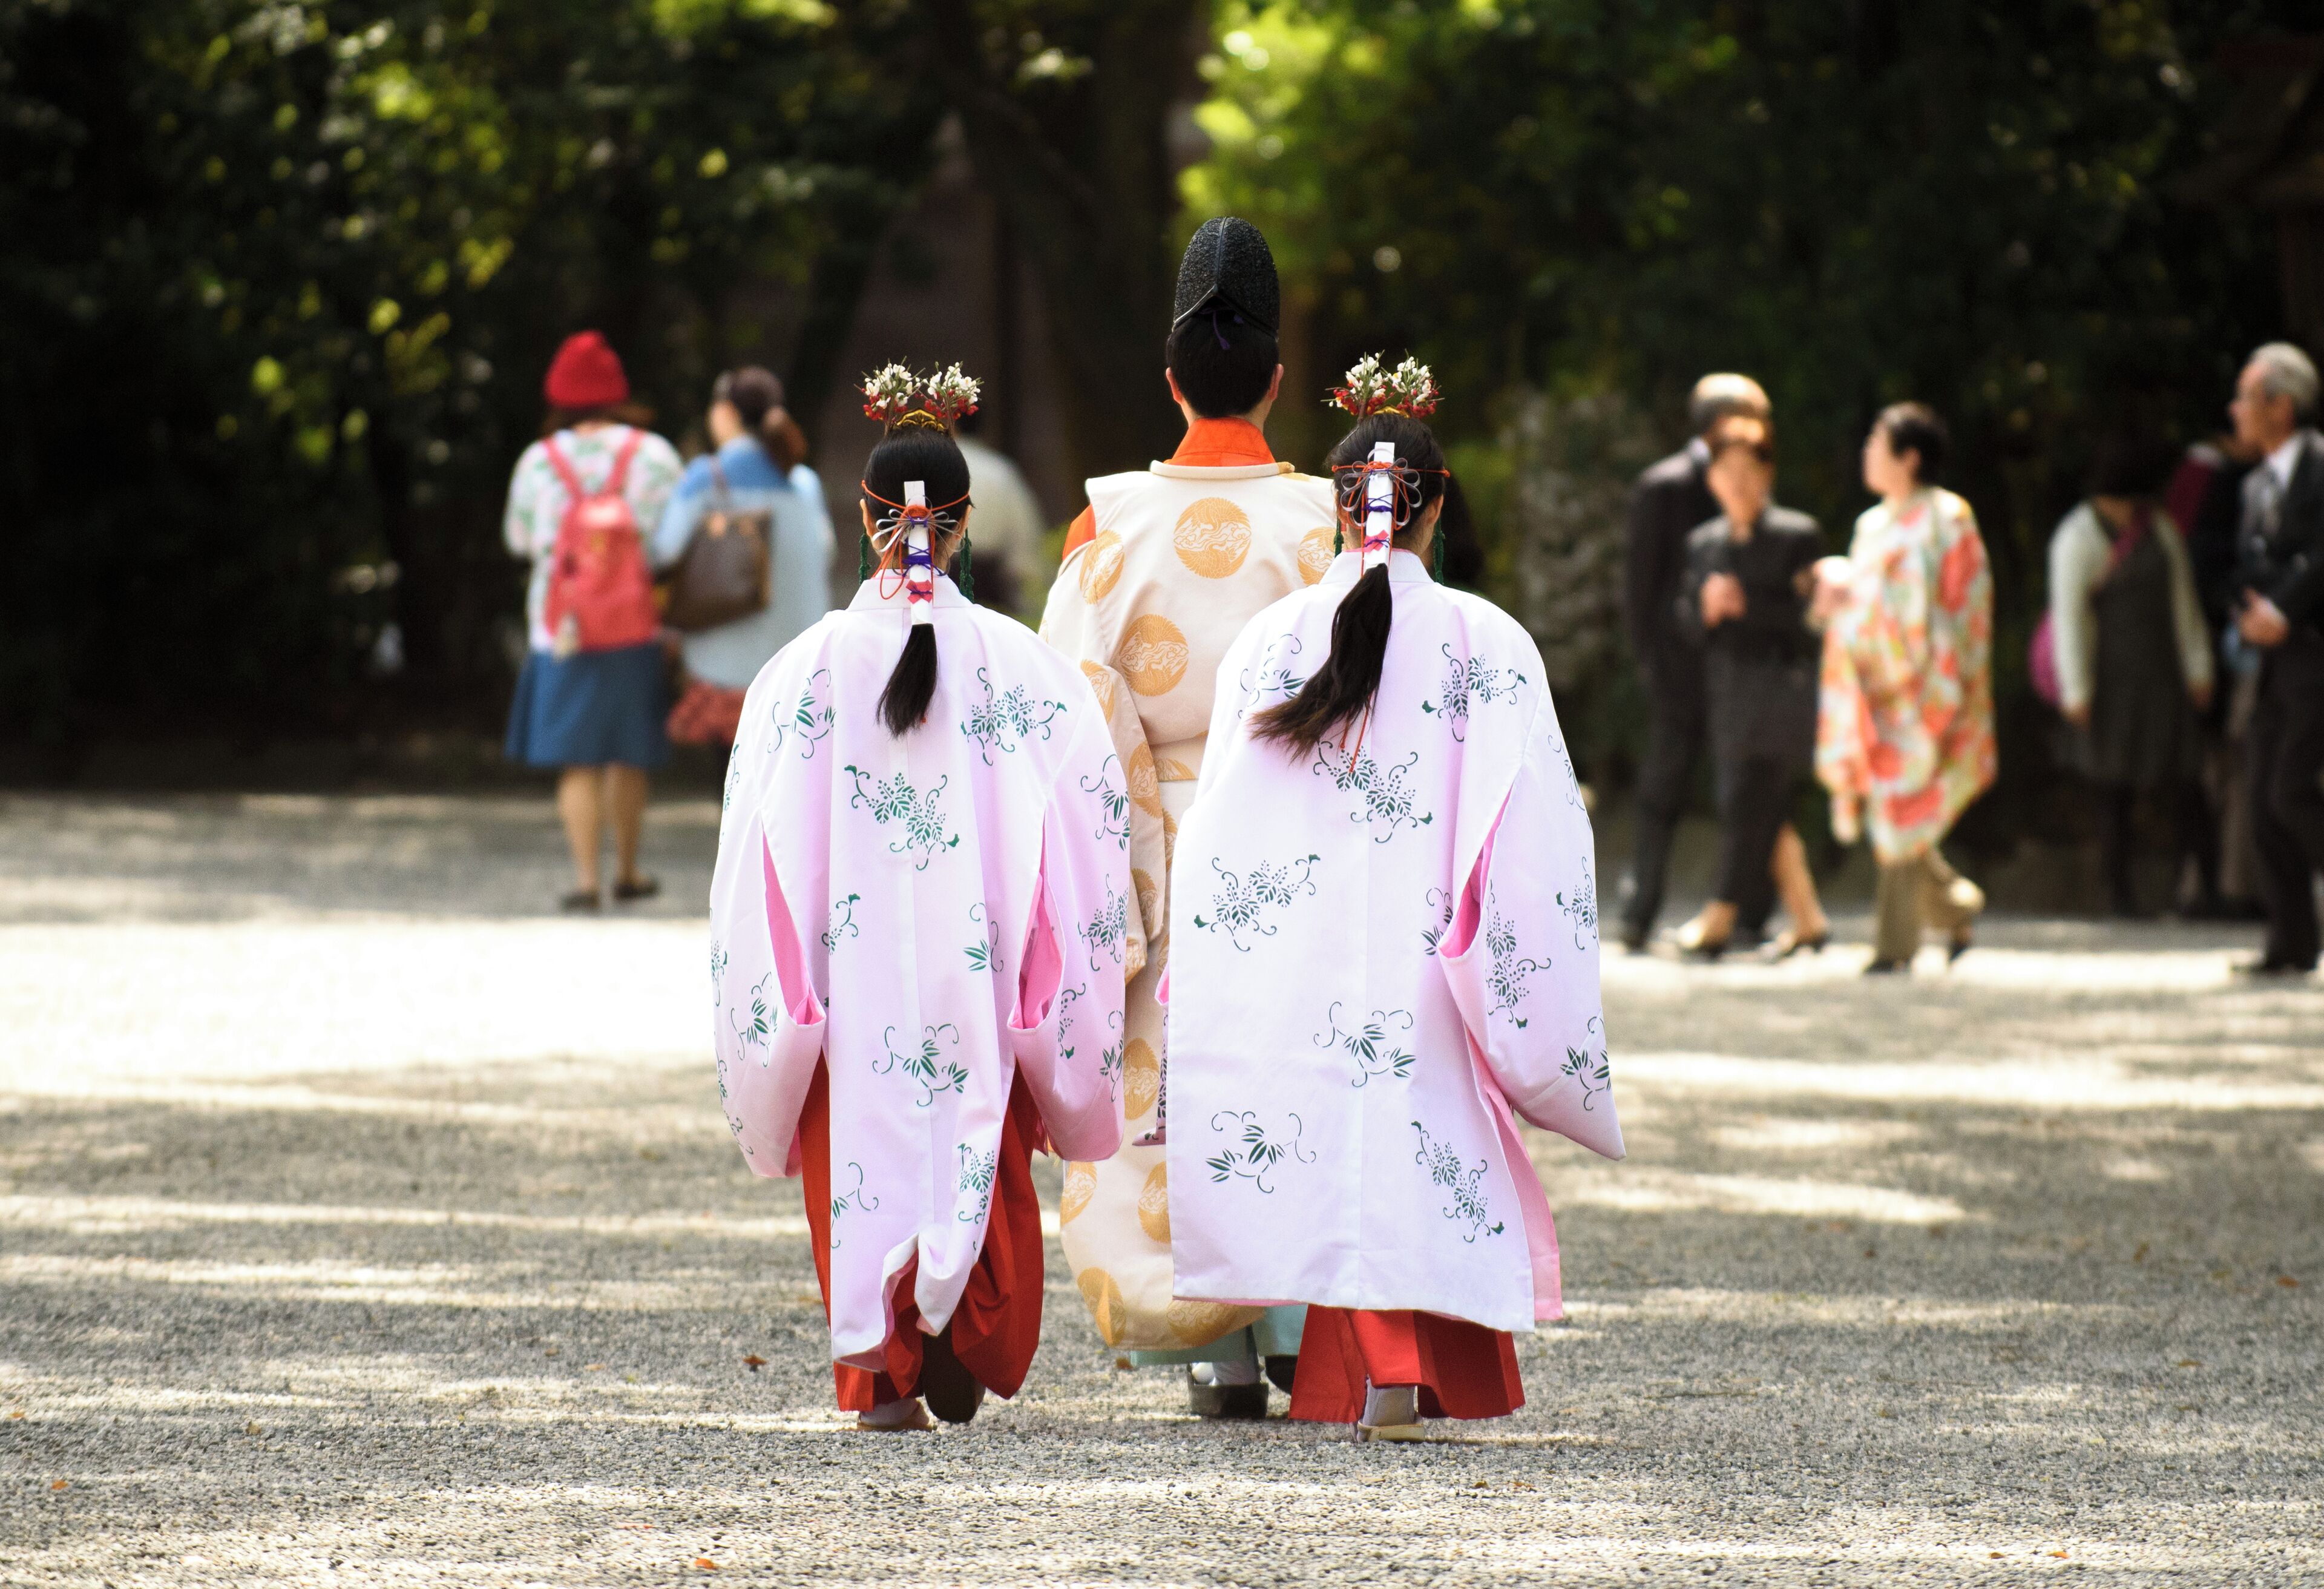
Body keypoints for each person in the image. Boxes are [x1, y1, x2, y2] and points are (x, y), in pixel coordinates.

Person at [1164, 364, 1623, 1441]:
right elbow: (1542, 835)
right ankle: (1399, 1373)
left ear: (1338, 508)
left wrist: (1216, 963)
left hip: (1306, 954)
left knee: (1338, 1142)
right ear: (1437, 506)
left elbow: (1221, 827)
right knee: (1421, 1146)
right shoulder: (1490, 644)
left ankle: (1380, 1373)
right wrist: (1506, 959)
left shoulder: (1274, 640)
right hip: (1436, 956)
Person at [707, 365, 1128, 1430]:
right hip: (980, 974)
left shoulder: (802, 671)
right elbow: (1089, 831)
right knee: (979, 1139)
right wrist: (1061, 983)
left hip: (849, 983)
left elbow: (754, 852)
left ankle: (882, 1373)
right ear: (965, 522)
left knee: (852, 1158)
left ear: (867, 520)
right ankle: (962, 1333)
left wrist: (782, 992)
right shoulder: (1027, 671)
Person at [1040, 216, 1336, 1418]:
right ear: (1278, 379)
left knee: (1171, 1080)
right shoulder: (1328, 526)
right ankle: (1304, 1324)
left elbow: (1064, 718)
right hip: (1294, 842)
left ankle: (1215, 1348)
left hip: (1151, 845)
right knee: (1293, 1067)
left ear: (1170, 381)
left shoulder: (1105, 529)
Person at [502, 331, 684, 910]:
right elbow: (671, 543)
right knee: (628, 752)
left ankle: (586, 881)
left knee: (578, 758)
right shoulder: (653, 454)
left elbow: (519, 539)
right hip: (634, 621)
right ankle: (628, 871)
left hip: (560, 627)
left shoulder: (538, 461)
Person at [1813, 403, 1996, 973]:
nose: (1867, 453)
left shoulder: (1948, 518)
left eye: (1877, 442)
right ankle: (1954, 904)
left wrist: (1953, 676)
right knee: (1897, 811)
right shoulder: (1872, 525)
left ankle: (1895, 944)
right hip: (1878, 686)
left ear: (1909, 457)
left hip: (1928, 683)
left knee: (1901, 811)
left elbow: (1966, 601)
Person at [1618, 373, 1773, 951]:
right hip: (1678, 668)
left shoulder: (1758, 479)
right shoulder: (1663, 485)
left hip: (1744, 666)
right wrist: (1651, 663)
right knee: (1662, 792)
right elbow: (1640, 588)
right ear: (1718, 424)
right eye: (1755, 417)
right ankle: (1640, 912)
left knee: (1750, 791)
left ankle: (1750, 916)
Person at [1670, 415, 1830, 959]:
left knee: (1747, 803)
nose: (1736, 483)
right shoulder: (1703, 543)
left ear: (1768, 473)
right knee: (1763, 809)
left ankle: (1720, 914)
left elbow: (1813, 621)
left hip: (1782, 691)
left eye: (1748, 469)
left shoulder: (1797, 535)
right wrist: (1706, 609)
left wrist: (1748, 606)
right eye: (1725, 471)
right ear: (1711, 479)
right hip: (1729, 695)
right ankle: (1809, 918)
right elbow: (1685, 624)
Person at [2046, 438, 2217, 918]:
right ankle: (2118, 894)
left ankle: (2205, 889)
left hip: (2163, 675)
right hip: (2109, 681)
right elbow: (2069, 619)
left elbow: (2183, 605)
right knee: (2111, 788)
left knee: (2186, 783)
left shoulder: (2159, 529)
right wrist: (2076, 689)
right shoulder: (2078, 536)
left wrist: (2199, 667)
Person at [654, 366, 835, 748]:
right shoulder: (804, 483)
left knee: (731, 769)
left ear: (725, 413)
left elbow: (664, 552)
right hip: (798, 660)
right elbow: (826, 551)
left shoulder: (705, 477)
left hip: (725, 661)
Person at [2225, 342, 2324, 978]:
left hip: (2314, 650)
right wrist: (2248, 610)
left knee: (2292, 790)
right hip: (2270, 663)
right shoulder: (2255, 483)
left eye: (2245, 397)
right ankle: (2290, 942)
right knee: (2262, 797)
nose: (2235, 410)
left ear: (2281, 406)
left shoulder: (2320, 467)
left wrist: (2284, 609)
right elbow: (2245, 565)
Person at [954, 408, 1046, 617]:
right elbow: (1024, 540)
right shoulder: (1000, 471)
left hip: (950, 586)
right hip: (990, 594)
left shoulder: (933, 469)